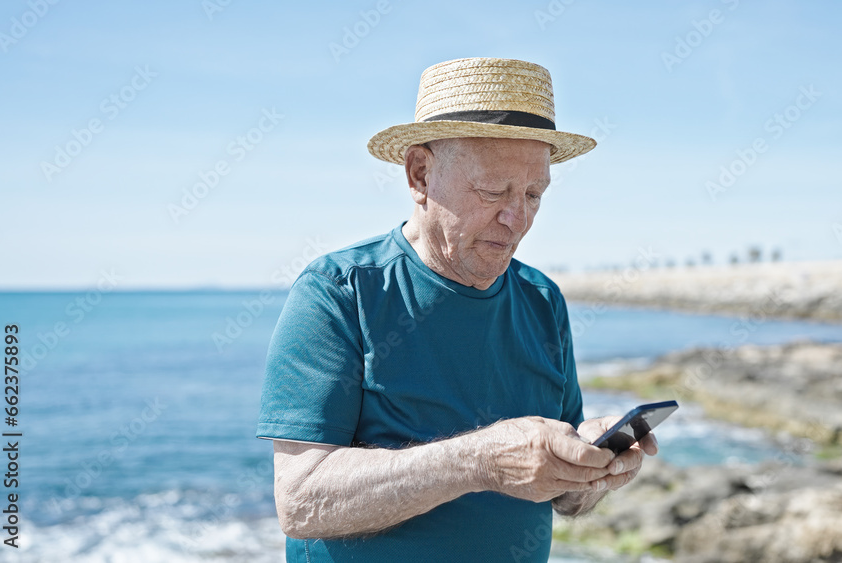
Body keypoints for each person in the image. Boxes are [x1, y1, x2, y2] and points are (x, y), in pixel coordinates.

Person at [256, 57, 659, 562]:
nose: (517, 218)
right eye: (494, 191)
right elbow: (301, 500)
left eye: (534, 194)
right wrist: (479, 460)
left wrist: (594, 470)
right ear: (420, 174)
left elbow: (564, 499)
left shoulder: (542, 299)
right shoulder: (339, 290)